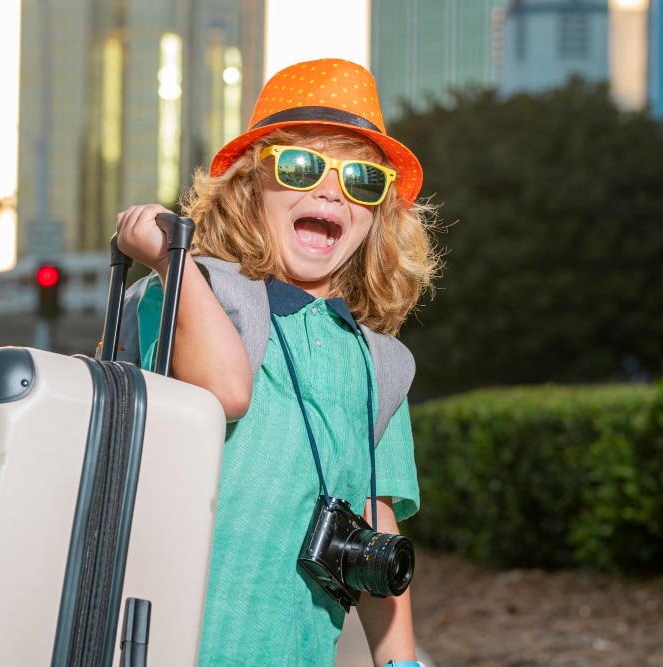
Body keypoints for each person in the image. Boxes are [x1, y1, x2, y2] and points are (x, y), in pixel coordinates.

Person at [114, 58, 440, 666]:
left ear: (378, 216)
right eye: (300, 166)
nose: (329, 191)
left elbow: (376, 522)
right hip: (166, 646)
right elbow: (224, 390)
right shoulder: (185, 293)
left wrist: (401, 662)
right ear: (247, 186)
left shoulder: (381, 363)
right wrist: (173, 262)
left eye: (362, 180)